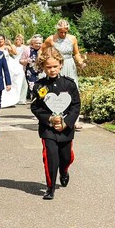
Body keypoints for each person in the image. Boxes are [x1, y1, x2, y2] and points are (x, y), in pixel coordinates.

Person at [30, 46, 80, 200]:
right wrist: (49, 119)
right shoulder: (39, 86)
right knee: (51, 156)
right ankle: (50, 188)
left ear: (60, 65)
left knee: (65, 157)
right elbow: (35, 107)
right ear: (43, 67)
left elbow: (76, 105)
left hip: (65, 129)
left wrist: (66, 122)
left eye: (55, 66)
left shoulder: (69, 84)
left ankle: (64, 171)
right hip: (48, 129)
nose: (52, 70)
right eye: (48, 67)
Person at [44, 19, 86, 129]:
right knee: (57, 90)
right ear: (57, 30)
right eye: (61, 32)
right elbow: (43, 51)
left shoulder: (72, 39)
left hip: (69, 65)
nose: (63, 34)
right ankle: (56, 119)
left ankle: (73, 120)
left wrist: (80, 62)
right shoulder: (50, 39)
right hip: (57, 65)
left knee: (73, 89)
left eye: (65, 32)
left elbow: (76, 53)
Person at [0, 34, 24, 108]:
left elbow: (15, 53)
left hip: (8, 67)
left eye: (1, 39)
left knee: (9, 82)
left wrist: (10, 44)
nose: (0, 41)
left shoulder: (7, 47)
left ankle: (10, 99)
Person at [20, 34, 43, 100]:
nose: (38, 45)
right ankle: (34, 101)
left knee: (41, 86)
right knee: (32, 87)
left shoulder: (43, 49)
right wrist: (26, 60)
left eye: (39, 43)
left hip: (41, 72)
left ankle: (41, 102)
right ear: (32, 43)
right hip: (30, 72)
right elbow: (20, 61)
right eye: (36, 43)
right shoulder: (27, 49)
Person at [12, 34, 29, 103]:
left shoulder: (25, 47)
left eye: (20, 39)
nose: (18, 40)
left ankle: (22, 98)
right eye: (17, 39)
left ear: (22, 41)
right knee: (15, 82)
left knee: (23, 82)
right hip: (13, 64)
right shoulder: (13, 47)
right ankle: (15, 98)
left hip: (21, 65)